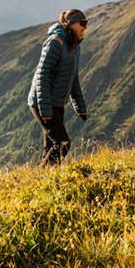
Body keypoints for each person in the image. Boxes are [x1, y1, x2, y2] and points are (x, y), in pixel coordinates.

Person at [28, 9, 89, 165]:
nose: (85, 27)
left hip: (57, 103)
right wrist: (46, 109)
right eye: (82, 23)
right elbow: (42, 74)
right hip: (42, 102)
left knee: (51, 146)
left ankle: (43, 180)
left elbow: (73, 78)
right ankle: (41, 179)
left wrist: (80, 106)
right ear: (71, 24)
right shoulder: (55, 42)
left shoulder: (74, 45)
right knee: (63, 144)